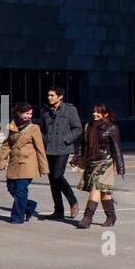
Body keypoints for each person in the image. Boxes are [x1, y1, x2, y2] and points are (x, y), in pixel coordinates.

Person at [73, 103, 125, 229]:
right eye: (94, 111)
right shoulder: (88, 126)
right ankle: (111, 216)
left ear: (105, 114)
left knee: (95, 187)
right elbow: (83, 144)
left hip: (105, 162)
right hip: (91, 161)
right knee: (104, 191)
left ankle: (87, 218)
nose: (94, 114)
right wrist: (77, 157)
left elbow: (117, 148)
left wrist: (120, 167)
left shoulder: (112, 127)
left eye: (98, 112)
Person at [0, 102, 49, 223]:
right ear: (18, 113)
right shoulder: (12, 126)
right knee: (11, 188)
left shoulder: (34, 128)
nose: (29, 116)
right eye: (26, 113)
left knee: (21, 190)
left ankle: (17, 217)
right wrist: (2, 161)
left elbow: (40, 148)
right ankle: (30, 206)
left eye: (30, 113)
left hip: (27, 164)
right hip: (14, 163)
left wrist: (43, 167)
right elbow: (6, 145)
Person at [37, 86, 82, 221]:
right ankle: (58, 211)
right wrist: (44, 140)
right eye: (48, 95)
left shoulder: (70, 109)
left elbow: (77, 129)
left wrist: (65, 139)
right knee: (52, 181)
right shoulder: (45, 110)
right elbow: (43, 129)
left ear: (60, 96)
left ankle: (72, 200)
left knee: (57, 175)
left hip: (63, 149)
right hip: (49, 149)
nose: (49, 98)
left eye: (52, 95)